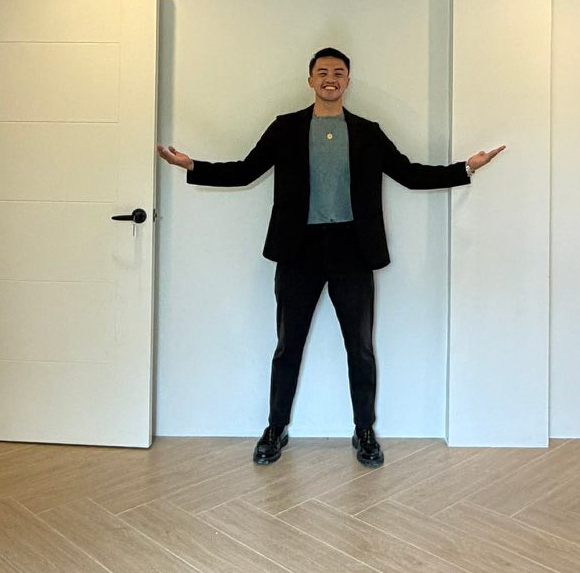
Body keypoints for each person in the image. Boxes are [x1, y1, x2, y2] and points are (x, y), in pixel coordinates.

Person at [158, 47, 504, 467]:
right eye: (322, 72)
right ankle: (275, 429)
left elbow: (410, 174)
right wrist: (193, 166)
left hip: (352, 251)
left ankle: (364, 431)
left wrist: (466, 167)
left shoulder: (367, 132)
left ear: (347, 81)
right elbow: (246, 170)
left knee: (360, 347)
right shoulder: (286, 128)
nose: (330, 78)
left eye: (338, 72)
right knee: (288, 345)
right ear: (310, 80)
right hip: (297, 250)